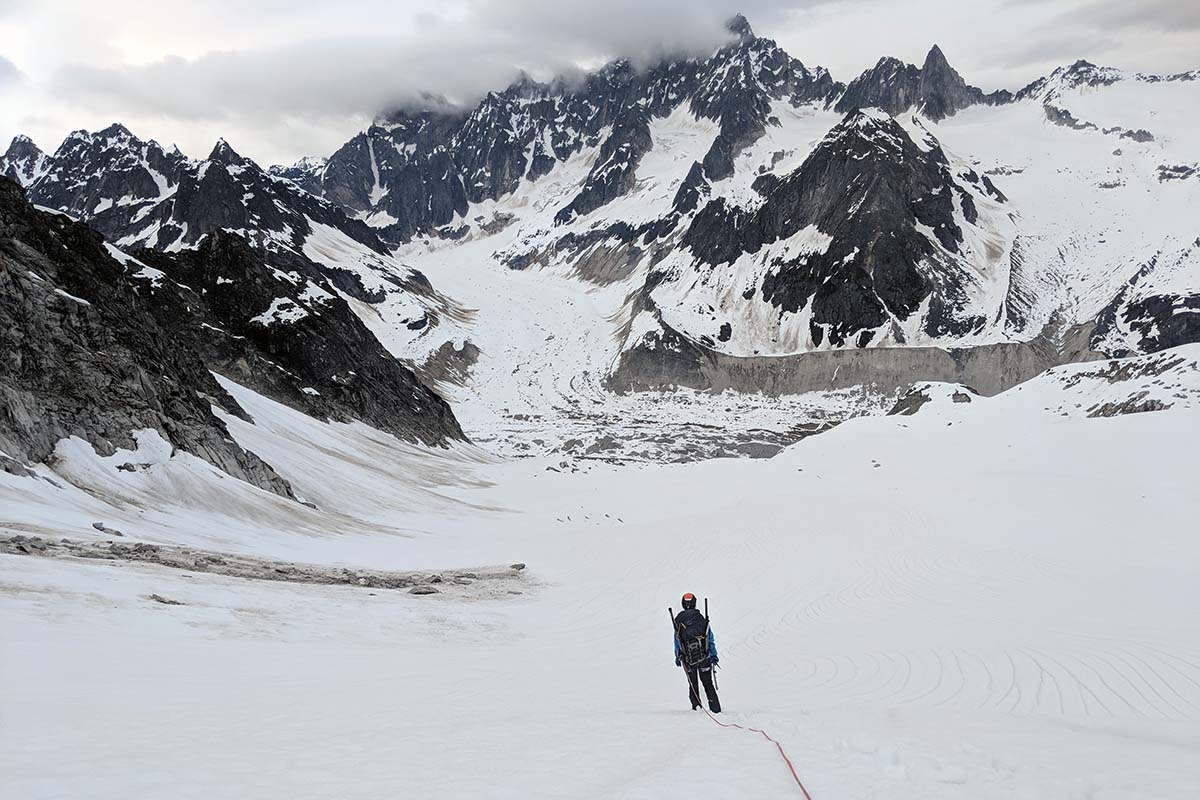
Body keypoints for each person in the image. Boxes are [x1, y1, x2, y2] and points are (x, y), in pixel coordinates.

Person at [673, 592, 721, 713]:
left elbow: (677, 641)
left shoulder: (678, 621)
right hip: (705, 658)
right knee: (707, 683)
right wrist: (714, 655)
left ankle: (696, 709)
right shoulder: (701, 619)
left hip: (687, 660)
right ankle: (715, 709)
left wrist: (678, 657)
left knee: (693, 684)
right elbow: (709, 638)